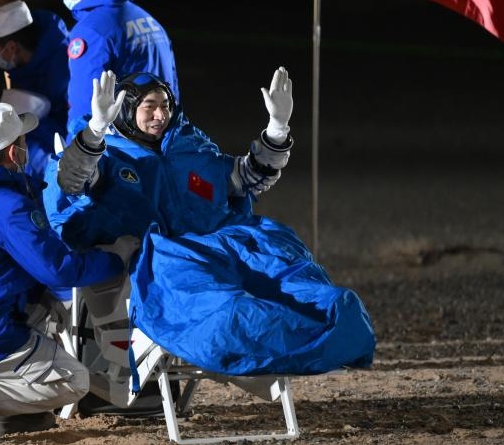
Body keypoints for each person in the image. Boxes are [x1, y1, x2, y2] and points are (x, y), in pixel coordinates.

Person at [45, 69, 376, 377]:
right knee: (227, 311)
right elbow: (72, 180)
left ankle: (331, 329)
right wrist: (95, 132)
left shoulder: (188, 144)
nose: (160, 115)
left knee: (301, 285)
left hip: (225, 241)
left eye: (165, 105)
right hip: (167, 255)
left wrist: (277, 129)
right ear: (127, 109)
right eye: (149, 107)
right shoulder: (108, 156)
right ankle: (273, 337)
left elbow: (244, 178)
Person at [0, 103, 135, 442]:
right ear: (13, 152)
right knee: (73, 380)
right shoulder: (7, 205)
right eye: (22, 141)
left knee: (42, 308)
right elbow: (59, 270)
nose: (27, 146)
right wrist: (115, 258)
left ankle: (11, 415)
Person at [45, 0, 180, 126]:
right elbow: (172, 87)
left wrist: (78, 142)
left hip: (121, 139)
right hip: (160, 130)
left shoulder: (91, 30)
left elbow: (86, 103)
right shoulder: (148, 20)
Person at [0, 0, 69, 180]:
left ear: (12, 47)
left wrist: (27, 127)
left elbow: (71, 126)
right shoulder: (26, 64)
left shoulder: (64, 73)